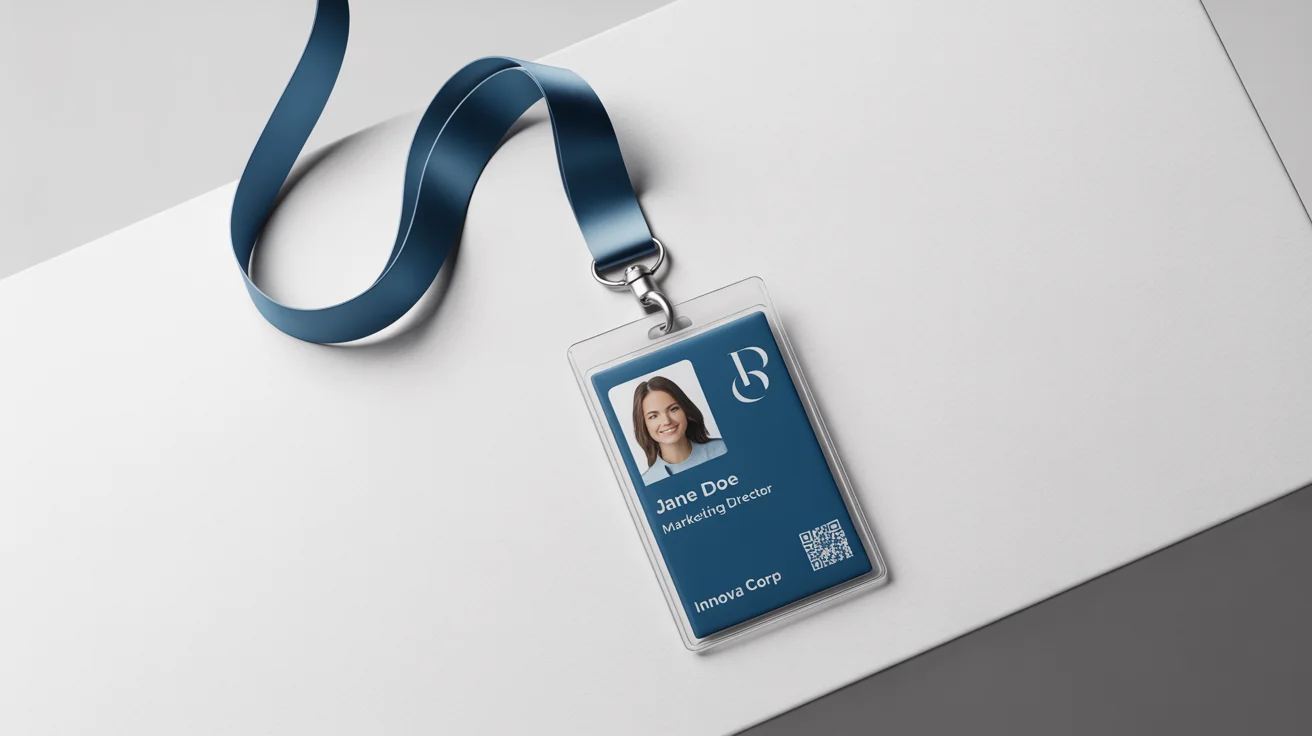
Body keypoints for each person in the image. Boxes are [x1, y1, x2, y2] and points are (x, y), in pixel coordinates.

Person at [631, 376, 727, 485]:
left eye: (673, 409)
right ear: (644, 425)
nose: (666, 421)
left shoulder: (723, 449)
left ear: (685, 410)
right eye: (653, 416)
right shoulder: (646, 483)